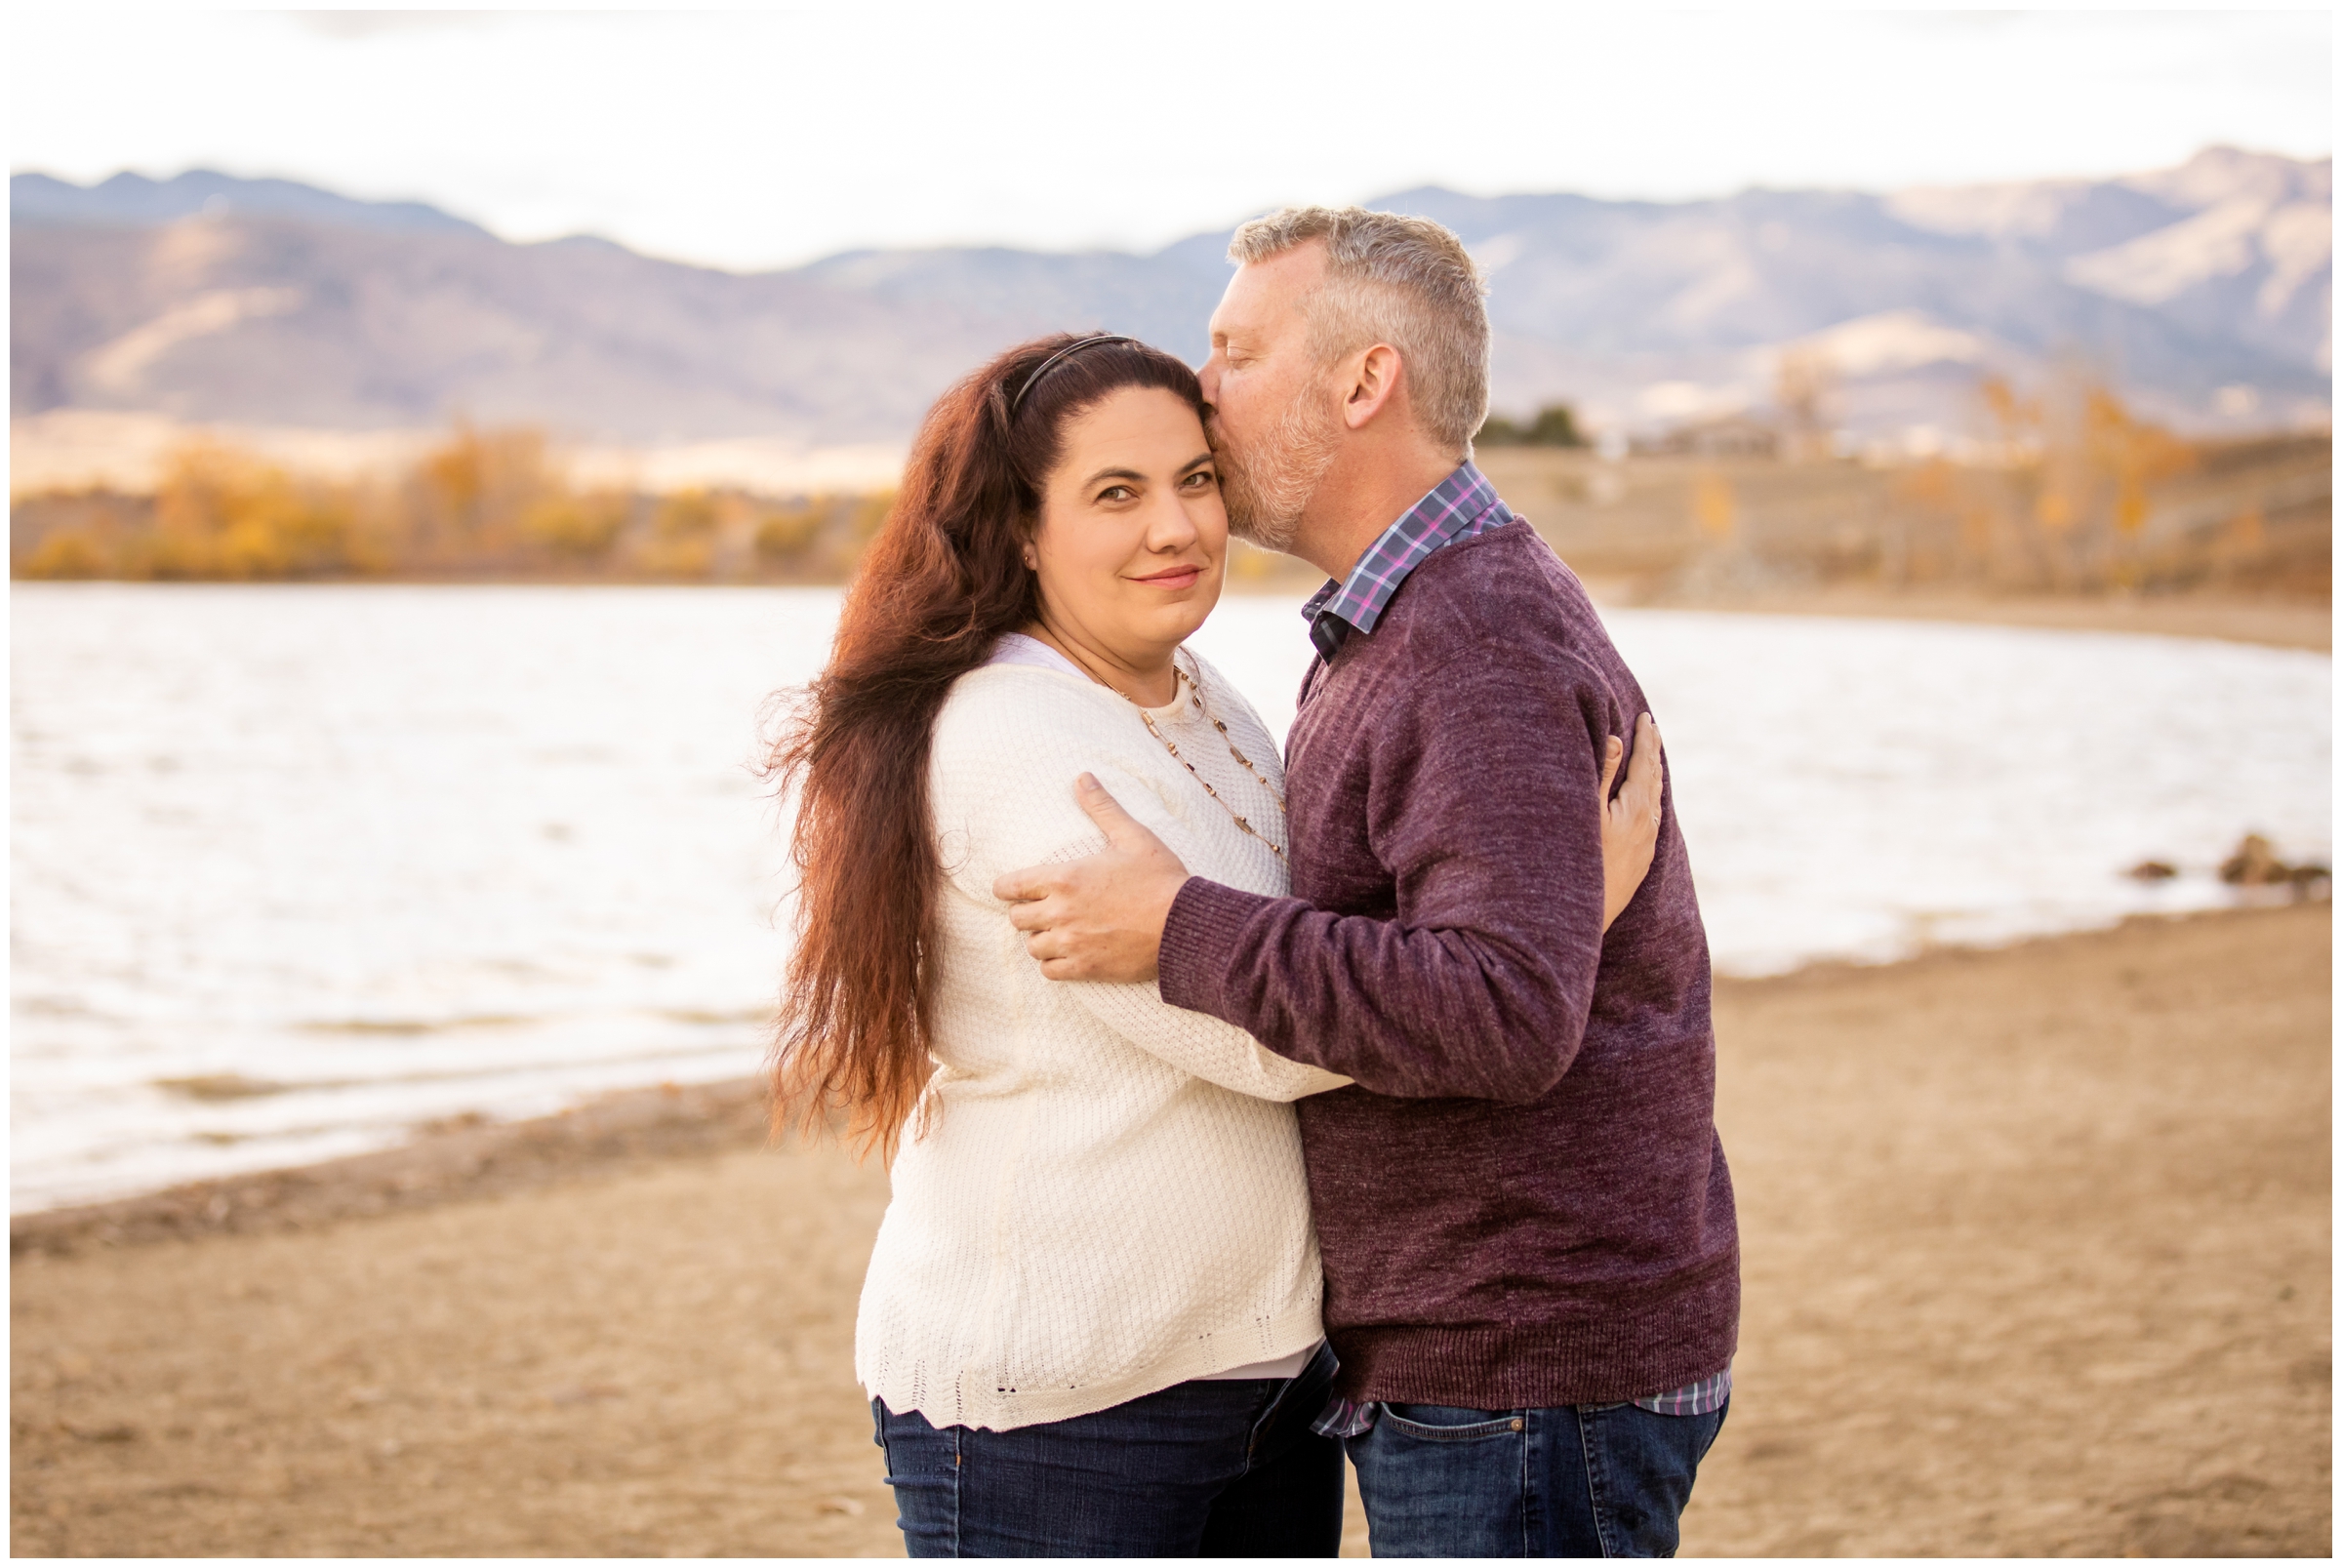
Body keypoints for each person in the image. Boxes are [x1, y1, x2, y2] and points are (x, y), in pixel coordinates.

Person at [766, 330, 1666, 1557]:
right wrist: (1550, 931)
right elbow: (1263, 1042)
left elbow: (1318, 942)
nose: (1176, 527)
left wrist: (1524, 921)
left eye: (1195, 478)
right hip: (1068, 1397)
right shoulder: (1015, 739)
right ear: (1021, 530)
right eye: (1116, 494)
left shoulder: (1205, 699)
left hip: (1261, 1380)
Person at [995, 209, 1738, 1558]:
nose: (1200, 387)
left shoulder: (1467, 638)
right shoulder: (1412, 617)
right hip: (1511, 1348)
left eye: (1234, 350)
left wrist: (1177, 926)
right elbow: (1491, 951)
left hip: (1521, 1364)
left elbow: (1506, 1010)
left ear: (1361, 381)